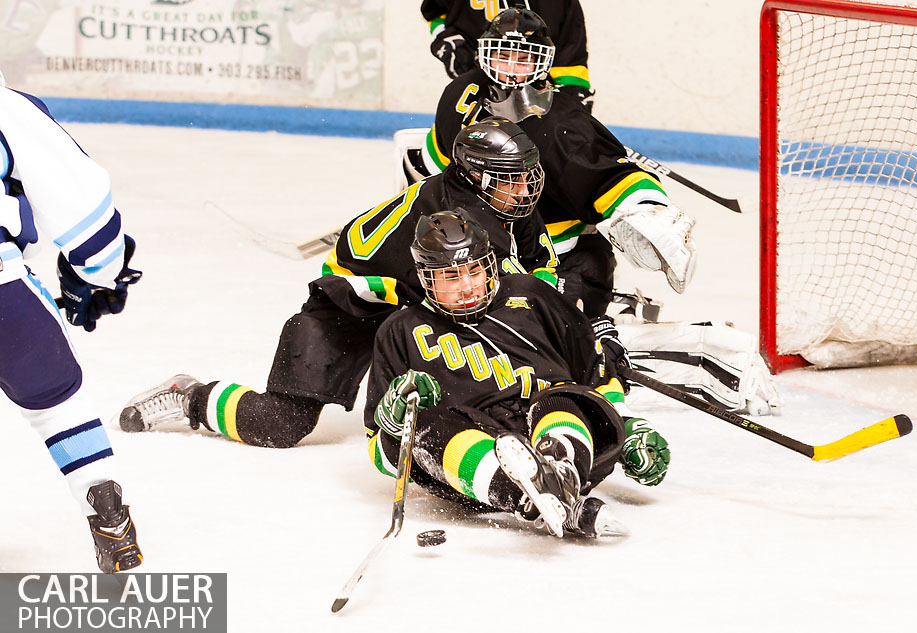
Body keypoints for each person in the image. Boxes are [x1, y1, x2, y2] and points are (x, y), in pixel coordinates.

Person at [410, 8, 782, 416]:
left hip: (562, 261)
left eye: (523, 58)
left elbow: (606, 175)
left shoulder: (561, 122)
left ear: (543, 62)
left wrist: (645, 209)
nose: (511, 69)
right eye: (503, 55)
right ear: (485, 53)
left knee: (537, 345)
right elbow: (436, 165)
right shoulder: (459, 98)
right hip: (488, 262)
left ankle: (708, 357)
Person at [119, 118, 561, 447]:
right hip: (349, 302)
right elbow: (508, 305)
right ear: (477, 177)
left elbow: (540, 274)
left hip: (418, 296)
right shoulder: (460, 221)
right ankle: (189, 396)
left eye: (525, 176)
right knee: (281, 424)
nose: (524, 189)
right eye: (511, 178)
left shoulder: (507, 203)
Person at [366, 208, 671, 538]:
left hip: (565, 436)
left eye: (474, 271)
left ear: (490, 265)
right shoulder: (399, 331)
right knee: (426, 427)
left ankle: (561, 474)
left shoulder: (532, 294)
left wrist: (630, 425)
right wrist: (394, 419)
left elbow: (595, 374)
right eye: (451, 277)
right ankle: (532, 496)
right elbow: (382, 452)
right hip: (480, 475)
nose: (467, 286)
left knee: (560, 396)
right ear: (426, 277)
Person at [0, 78, 143, 572]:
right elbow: (81, 204)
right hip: (3, 295)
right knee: (56, 403)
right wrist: (99, 274)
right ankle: (104, 505)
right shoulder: (7, 108)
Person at [422, 0, 595, 110]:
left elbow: (570, 53)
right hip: (477, 82)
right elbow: (434, 11)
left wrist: (570, 99)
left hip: (538, 97)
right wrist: (449, 40)